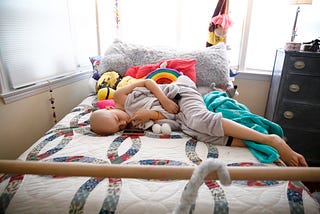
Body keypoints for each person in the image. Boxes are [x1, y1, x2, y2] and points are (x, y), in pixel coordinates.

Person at [90, 76, 307, 167]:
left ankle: (271, 140)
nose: (123, 123)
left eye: (117, 119)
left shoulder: (120, 96)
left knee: (199, 121)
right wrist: (152, 116)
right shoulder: (133, 123)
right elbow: (173, 119)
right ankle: (258, 143)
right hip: (178, 112)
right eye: (118, 128)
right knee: (200, 133)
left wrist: (164, 101)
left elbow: (148, 82)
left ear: (110, 108)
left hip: (178, 92)